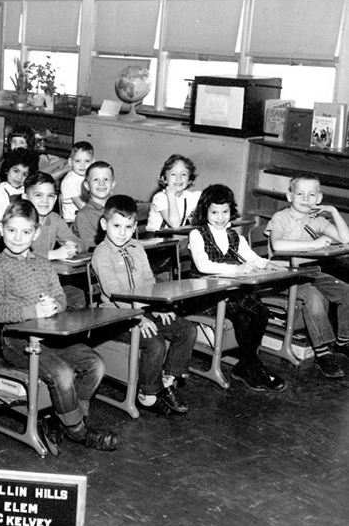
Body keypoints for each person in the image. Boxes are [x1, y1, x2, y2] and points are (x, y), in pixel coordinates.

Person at [0, 200, 118, 452]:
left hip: (50, 336)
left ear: (36, 234)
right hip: (17, 342)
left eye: (25, 232)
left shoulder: (43, 264)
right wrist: (30, 311)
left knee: (95, 364)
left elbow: (61, 298)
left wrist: (54, 306)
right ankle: (78, 431)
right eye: (11, 230)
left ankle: (64, 421)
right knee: (62, 374)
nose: (17, 237)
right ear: (2, 230)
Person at [91, 195, 196, 414]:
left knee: (187, 329)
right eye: (116, 226)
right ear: (104, 224)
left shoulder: (137, 247)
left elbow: (149, 282)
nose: (122, 232)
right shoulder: (101, 254)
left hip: (145, 309)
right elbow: (116, 293)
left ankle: (165, 382)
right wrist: (139, 317)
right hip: (115, 317)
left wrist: (158, 307)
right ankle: (148, 394)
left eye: (128, 227)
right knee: (154, 342)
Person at [188, 185, 287, 391]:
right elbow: (203, 266)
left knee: (261, 311)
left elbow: (252, 258)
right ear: (204, 212)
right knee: (242, 318)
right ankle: (254, 366)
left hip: (231, 292)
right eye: (214, 212)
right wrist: (237, 269)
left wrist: (267, 264)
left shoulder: (235, 236)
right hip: (207, 294)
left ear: (231, 211)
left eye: (225, 212)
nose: (220, 217)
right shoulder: (197, 235)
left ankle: (247, 365)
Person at [264, 174, 349, 378]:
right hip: (283, 276)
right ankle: (322, 353)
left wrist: (334, 212)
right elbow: (278, 245)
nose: (305, 198)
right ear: (289, 196)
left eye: (311, 194)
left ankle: (343, 342)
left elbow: (346, 240)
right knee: (314, 297)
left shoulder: (316, 219)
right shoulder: (281, 218)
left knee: (346, 291)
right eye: (300, 193)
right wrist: (313, 244)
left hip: (310, 272)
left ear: (318, 198)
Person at [23, 171, 87, 310]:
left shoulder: (54, 219)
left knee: (78, 295)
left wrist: (73, 247)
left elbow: (79, 242)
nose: (45, 201)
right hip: (23, 286)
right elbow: (21, 255)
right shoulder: (20, 221)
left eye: (50, 196)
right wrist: (54, 255)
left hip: (47, 282)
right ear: (25, 197)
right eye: (38, 195)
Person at [146, 154, 201, 231]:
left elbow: (211, 196)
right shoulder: (160, 198)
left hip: (175, 238)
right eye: (173, 174)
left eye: (184, 174)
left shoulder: (190, 196)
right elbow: (175, 224)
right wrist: (171, 195)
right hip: (155, 238)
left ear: (189, 180)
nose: (178, 178)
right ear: (164, 179)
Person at [0, 148, 33, 221]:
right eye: (16, 171)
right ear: (7, 169)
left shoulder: (28, 192)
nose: (19, 177)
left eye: (24, 174)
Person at [74, 161, 116, 248]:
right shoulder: (83, 215)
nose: (101, 183)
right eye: (96, 179)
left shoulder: (119, 209)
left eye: (106, 179)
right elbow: (91, 248)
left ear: (113, 184)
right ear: (87, 185)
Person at [59, 141, 94, 222]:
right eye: (78, 161)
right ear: (70, 162)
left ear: (93, 162)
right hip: (72, 222)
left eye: (87, 161)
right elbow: (82, 206)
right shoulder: (69, 181)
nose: (82, 165)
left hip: (86, 219)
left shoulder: (91, 178)